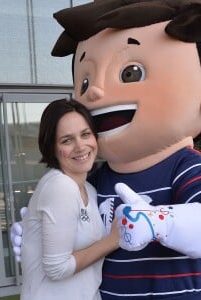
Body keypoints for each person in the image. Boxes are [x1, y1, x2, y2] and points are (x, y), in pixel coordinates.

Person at [12, 0, 201, 299]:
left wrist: (160, 222)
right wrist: (42, 235)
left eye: (130, 73)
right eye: (85, 81)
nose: (95, 91)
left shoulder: (185, 167)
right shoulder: (96, 179)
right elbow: (86, 241)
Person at [19, 98, 119, 300]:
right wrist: (113, 241)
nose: (80, 146)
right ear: (53, 148)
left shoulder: (89, 189)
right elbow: (56, 268)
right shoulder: (59, 186)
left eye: (85, 134)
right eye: (67, 140)